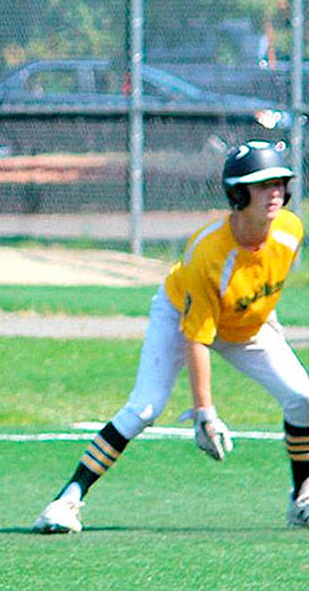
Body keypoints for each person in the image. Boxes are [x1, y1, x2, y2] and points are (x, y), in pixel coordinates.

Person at [34, 140, 308, 534]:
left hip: (244, 324)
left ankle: (301, 499)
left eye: (280, 183)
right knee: (145, 407)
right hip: (179, 312)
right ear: (238, 193)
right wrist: (204, 411)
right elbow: (196, 336)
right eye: (262, 185)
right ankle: (66, 500)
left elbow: (265, 279)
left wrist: (269, 321)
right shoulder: (208, 252)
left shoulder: (290, 229)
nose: (275, 192)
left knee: (303, 398)